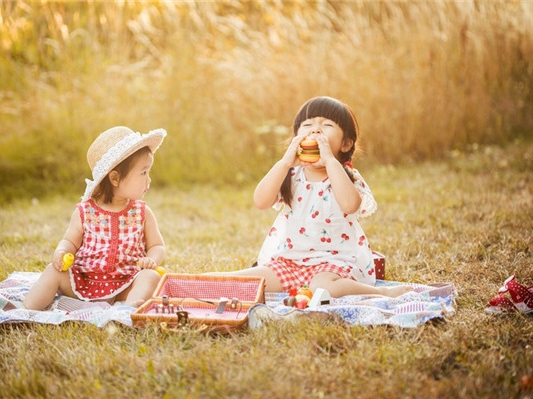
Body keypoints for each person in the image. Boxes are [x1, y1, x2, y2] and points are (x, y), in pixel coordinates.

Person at [210, 96, 412, 298]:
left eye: (327, 125)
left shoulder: (346, 176)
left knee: (322, 290)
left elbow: (350, 205)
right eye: (307, 124)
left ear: (346, 144)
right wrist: (284, 163)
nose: (315, 130)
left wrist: (330, 160)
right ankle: (197, 283)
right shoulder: (290, 175)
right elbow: (261, 201)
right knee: (244, 282)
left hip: (333, 265)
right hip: (289, 262)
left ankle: (380, 292)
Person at [23, 126, 167, 310]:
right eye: (143, 173)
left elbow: (157, 245)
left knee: (151, 277)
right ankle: (27, 310)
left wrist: (151, 260)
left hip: (126, 282)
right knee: (53, 271)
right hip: (84, 281)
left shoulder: (142, 212)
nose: (149, 180)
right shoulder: (85, 212)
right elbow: (70, 241)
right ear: (115, 178)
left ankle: (130, 309)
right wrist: (60, 252)